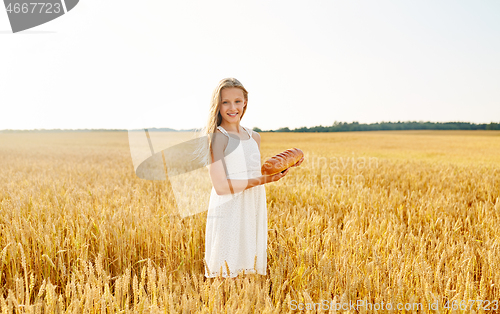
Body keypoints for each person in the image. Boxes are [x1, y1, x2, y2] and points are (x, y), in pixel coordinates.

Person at [203, 78, 304, 278]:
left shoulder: (254, 137)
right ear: (218, 105)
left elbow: (252, 173)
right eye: (226, 102)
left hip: (252, 205)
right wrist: (266, 180)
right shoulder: (218, 137)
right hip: (228, 207)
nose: (233, 107)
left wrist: (286, 164)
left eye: (238, 101)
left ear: (245, 102)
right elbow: (221, 187)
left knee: (248, 268)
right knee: (226, 269)